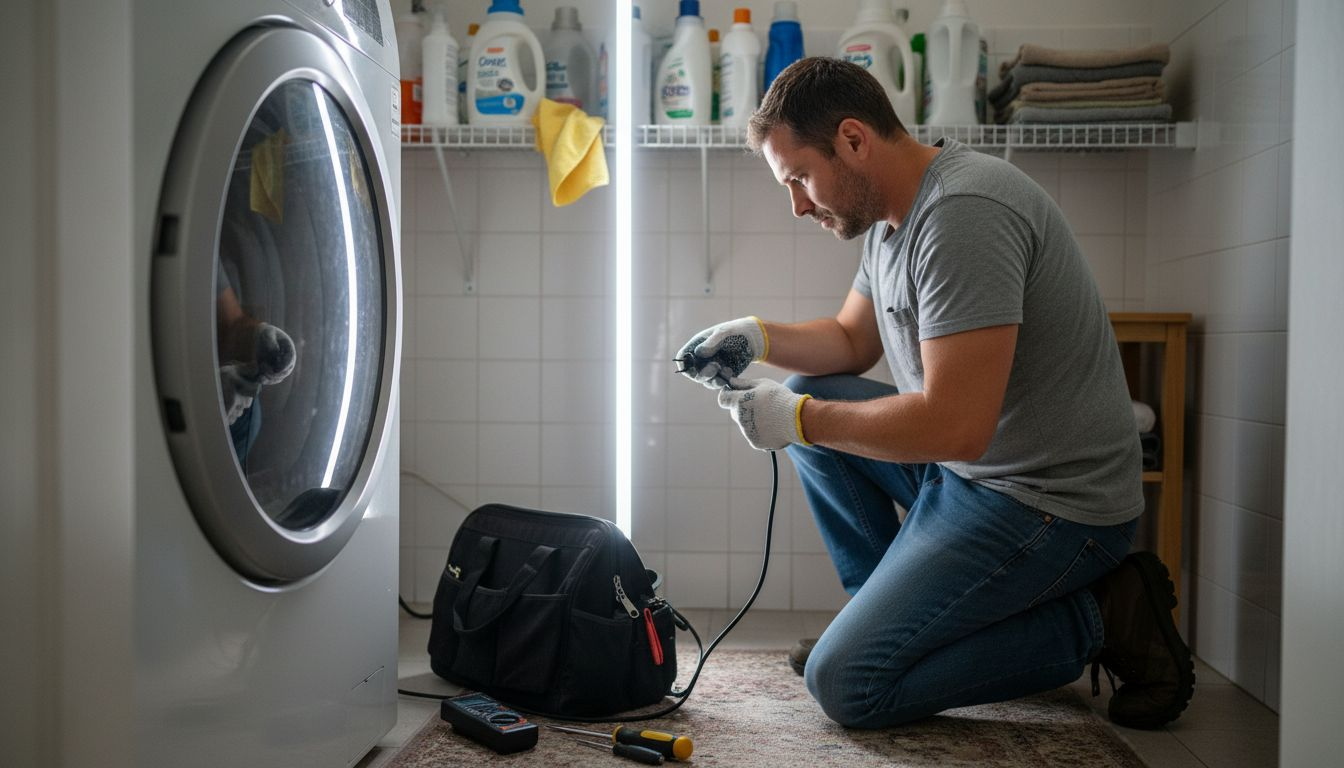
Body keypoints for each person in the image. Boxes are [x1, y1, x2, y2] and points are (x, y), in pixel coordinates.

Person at [674, 57, 1194, 731]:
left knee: (848, 685)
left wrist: (797, 421)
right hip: (976, 479)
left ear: (854, 140)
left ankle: (1099, 618)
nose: (798, 204)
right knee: (810, 389)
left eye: (800, 177)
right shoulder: (892, 218)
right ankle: (887, 621)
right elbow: (848, 341)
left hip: (1050, 508)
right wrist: (754, 336)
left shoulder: (962, 214)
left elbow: (956, 426)